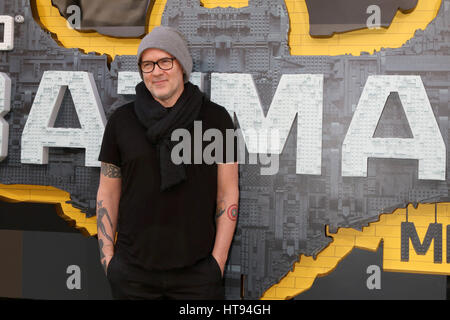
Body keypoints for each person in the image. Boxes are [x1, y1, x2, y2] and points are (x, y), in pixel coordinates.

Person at [96, 26, 239, 300]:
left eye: (165, 61)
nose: (156, 72)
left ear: (182, 66)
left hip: (197, 277)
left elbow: (227, 192)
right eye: (147, 65)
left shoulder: (217, 120)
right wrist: (109, 261)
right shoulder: (121, 121)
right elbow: (108, 191)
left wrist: (216, 265)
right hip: (131, 275)